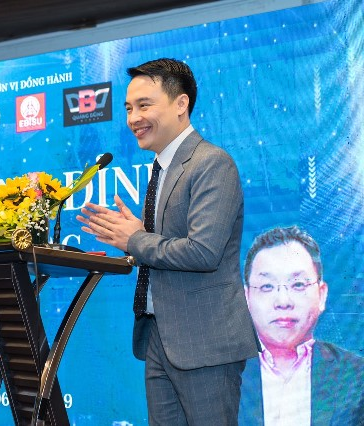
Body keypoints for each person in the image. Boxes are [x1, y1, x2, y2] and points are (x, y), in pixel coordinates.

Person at [77, 58, 259, 425]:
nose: (133, 118)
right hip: (159, 337)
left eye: (144, 105)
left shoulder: (211, 163)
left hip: (204, 343)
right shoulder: (162, 168)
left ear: (181, 104)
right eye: (128, 108)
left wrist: (136, 239)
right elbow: (163, 245)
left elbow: (203, 252)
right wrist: (134, 237)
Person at [239, 225, 364, 425]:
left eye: (298, 285)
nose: (283, 301)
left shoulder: (356, 377)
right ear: (247, 297)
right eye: (267, 286)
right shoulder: (217, 375)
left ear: (321, 295)